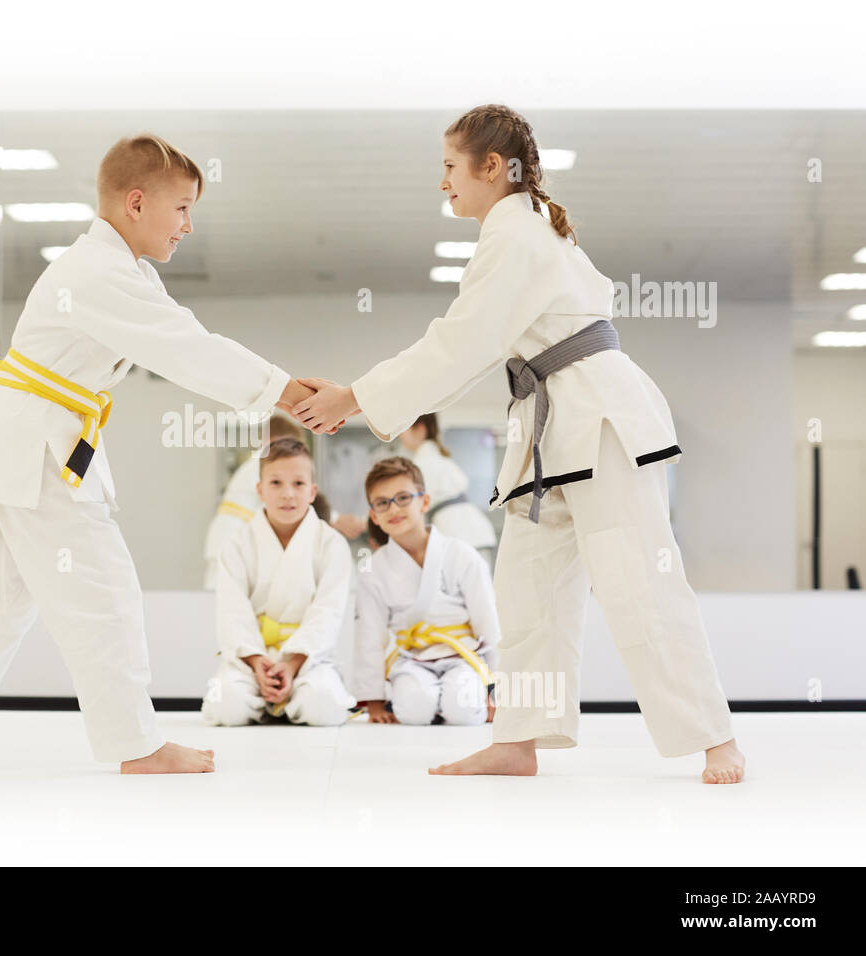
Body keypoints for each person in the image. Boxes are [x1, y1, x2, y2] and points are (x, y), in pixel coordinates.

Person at [291, 104, 744, 784]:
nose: (443, 183)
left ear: (493, 168)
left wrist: (354, 396)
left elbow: (459, 343)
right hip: (547, 426)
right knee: (528, 592)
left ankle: (715, 738)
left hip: (597, 420)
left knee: (638, 581)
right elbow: (466, 343)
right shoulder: (518, 231)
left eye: (450, 168)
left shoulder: (519, 236)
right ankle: (519, 740)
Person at [0, 133, 320, 774]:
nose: (189, 226)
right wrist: (287, 391)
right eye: (183, 208)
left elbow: (185, 340)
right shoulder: (98, 273)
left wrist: (281, 389)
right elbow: (189, 350)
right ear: (136, 203)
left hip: (31, 440)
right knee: (103, 592)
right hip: (40, 446)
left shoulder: (121, 271)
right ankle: (137, 746)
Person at [202, 438, 355, 726]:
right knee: (226, 705)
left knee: (323, 705)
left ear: (312, 492)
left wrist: (292, 662)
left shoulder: (331, 544)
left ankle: (287, 698)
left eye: (298, 484)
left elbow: (328, 611)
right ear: (260, 490)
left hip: (307, 659)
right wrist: (259, 662)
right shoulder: (237, 545)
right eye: (276, 483)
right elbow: (232, 612)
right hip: (253, 658)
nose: (288, 494)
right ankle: (262, 696)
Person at [353, 457, 499, 727]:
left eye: (403, 497)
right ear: (373, 515)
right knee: (413, 712)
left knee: (464, 712)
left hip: (463, 656)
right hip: (412, 659)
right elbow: (369, 637)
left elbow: (488, 624)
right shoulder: (373, 570)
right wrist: (373, 703)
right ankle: (431, 703)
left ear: (425, 502)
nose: (393, 508)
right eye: (383, 503)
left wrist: (496, 690)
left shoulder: (461, 554)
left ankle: (456, 702)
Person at [201, 414, 306, 589]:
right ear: (274, 440)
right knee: (220, 596)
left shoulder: (258, 466)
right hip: (231, 539)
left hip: (233, 539)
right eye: (291, 448)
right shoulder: (260, 466)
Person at [397, 412, 496, 562]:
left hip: (459, 533)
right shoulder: (436, 457)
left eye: (404, 428)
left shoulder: (424, 462)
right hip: (471, 532)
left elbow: (413, 507)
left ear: (420, 429)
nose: (400, 435)